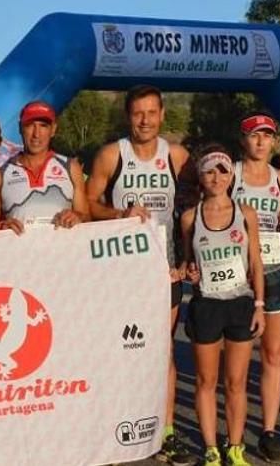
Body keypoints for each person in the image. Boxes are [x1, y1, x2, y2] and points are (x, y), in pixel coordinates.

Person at [84, 85, 196, 465]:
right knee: (116, 351)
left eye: (151, 113)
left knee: (162, 351)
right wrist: (119, 215)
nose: (145, 120)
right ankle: (115, 432)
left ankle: (166, 432)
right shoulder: (111, 155)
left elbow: (201, 208)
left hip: (163, 273)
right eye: (137, 113)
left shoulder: (178, 157)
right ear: (128, 116)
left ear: (162, 114)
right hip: (118, 274)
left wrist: (189, 258)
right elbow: (86, 206)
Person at [180, 146, 265, 466]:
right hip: (207, 306)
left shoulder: (246, 213)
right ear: (201, 177)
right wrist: (189, 271)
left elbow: (256, 263)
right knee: (206, 381)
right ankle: (211, 448)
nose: (216, 177)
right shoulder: (190, 217)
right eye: (209, 171)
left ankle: (236, 446)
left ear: (232, 176)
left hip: (240, 304)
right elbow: (189, 262)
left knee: (236, 382)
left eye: (223, 170)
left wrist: (259, 305)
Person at [231, 111, 280, 461]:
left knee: (273, 354)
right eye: (254, 135)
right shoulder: (231, 176)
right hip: (237, 277)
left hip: (275, 272)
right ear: (243, 140)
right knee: (237, 362)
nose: (260, 141)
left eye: (267, 135)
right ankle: (233, 434)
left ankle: (268, 431)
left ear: (274, 140)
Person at [0, 100, 90, 232]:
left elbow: (86, 216)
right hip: (19, 251)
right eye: (30, 125)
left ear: (53, 130)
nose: (36, 134)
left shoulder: (71, 167)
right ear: (20, 128)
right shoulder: (0, 173)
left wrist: (77, 216)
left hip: (62, 251)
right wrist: (2, 226)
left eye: (43, 126)